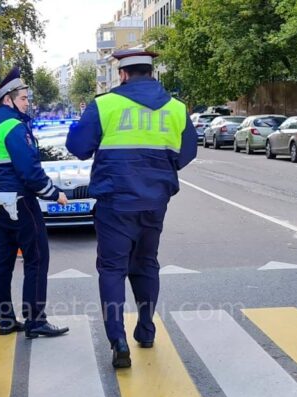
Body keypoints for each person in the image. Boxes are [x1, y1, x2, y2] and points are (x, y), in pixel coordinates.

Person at [65, 50, 198, 367]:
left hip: (115, 202)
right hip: (154, 202)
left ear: (123, 74)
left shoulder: (106, 105)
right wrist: (160, 170)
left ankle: (118, 340)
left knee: (112, 269)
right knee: (146, 262)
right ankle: (147, 328)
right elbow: (186, 153)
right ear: (151, 73)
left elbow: (79, 148)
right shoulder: (176, 109)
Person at [0, 67, 70, 338]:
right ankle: (35, 320)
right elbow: (30, 172)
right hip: (20, 202)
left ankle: (5, 320)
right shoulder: (14, 127)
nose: (28, 102)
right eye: (24, 98)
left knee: (3, 262)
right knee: (36, 259)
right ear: (9, 99)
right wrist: (54, 194)